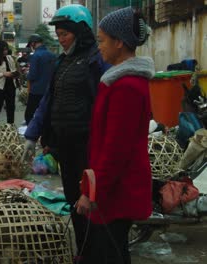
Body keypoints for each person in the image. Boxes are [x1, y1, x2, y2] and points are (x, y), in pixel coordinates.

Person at [22, 4, 108, 262]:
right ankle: (82, 251)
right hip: (65, 148)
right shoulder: (63, 61)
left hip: (89, 147)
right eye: (58, 34)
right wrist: (32, 134)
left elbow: (106, 106)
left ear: (80, 32)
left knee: (92, 203)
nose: (60, 39)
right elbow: (48, 101)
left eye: (65, 34)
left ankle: (96, 254)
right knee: (74, 201)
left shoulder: (97, 60)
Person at [76, 7, 153, 263]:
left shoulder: (127, 87)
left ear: (119, 42)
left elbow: (115, 149)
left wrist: (93, 192)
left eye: (102, 41)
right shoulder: (119, 81)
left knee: (110, 253)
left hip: (117, 190)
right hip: (112, 186)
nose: (99, 47)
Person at [24, 34, 56, 125]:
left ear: (33, 43)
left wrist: (27, 75)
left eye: (31, 45)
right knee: (47, 115)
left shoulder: (35, 56)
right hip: (50, 90)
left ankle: (32, 135)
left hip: (36, 91)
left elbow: (32, 75)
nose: (31, 47)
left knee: (29, 115)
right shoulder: (52, 55)